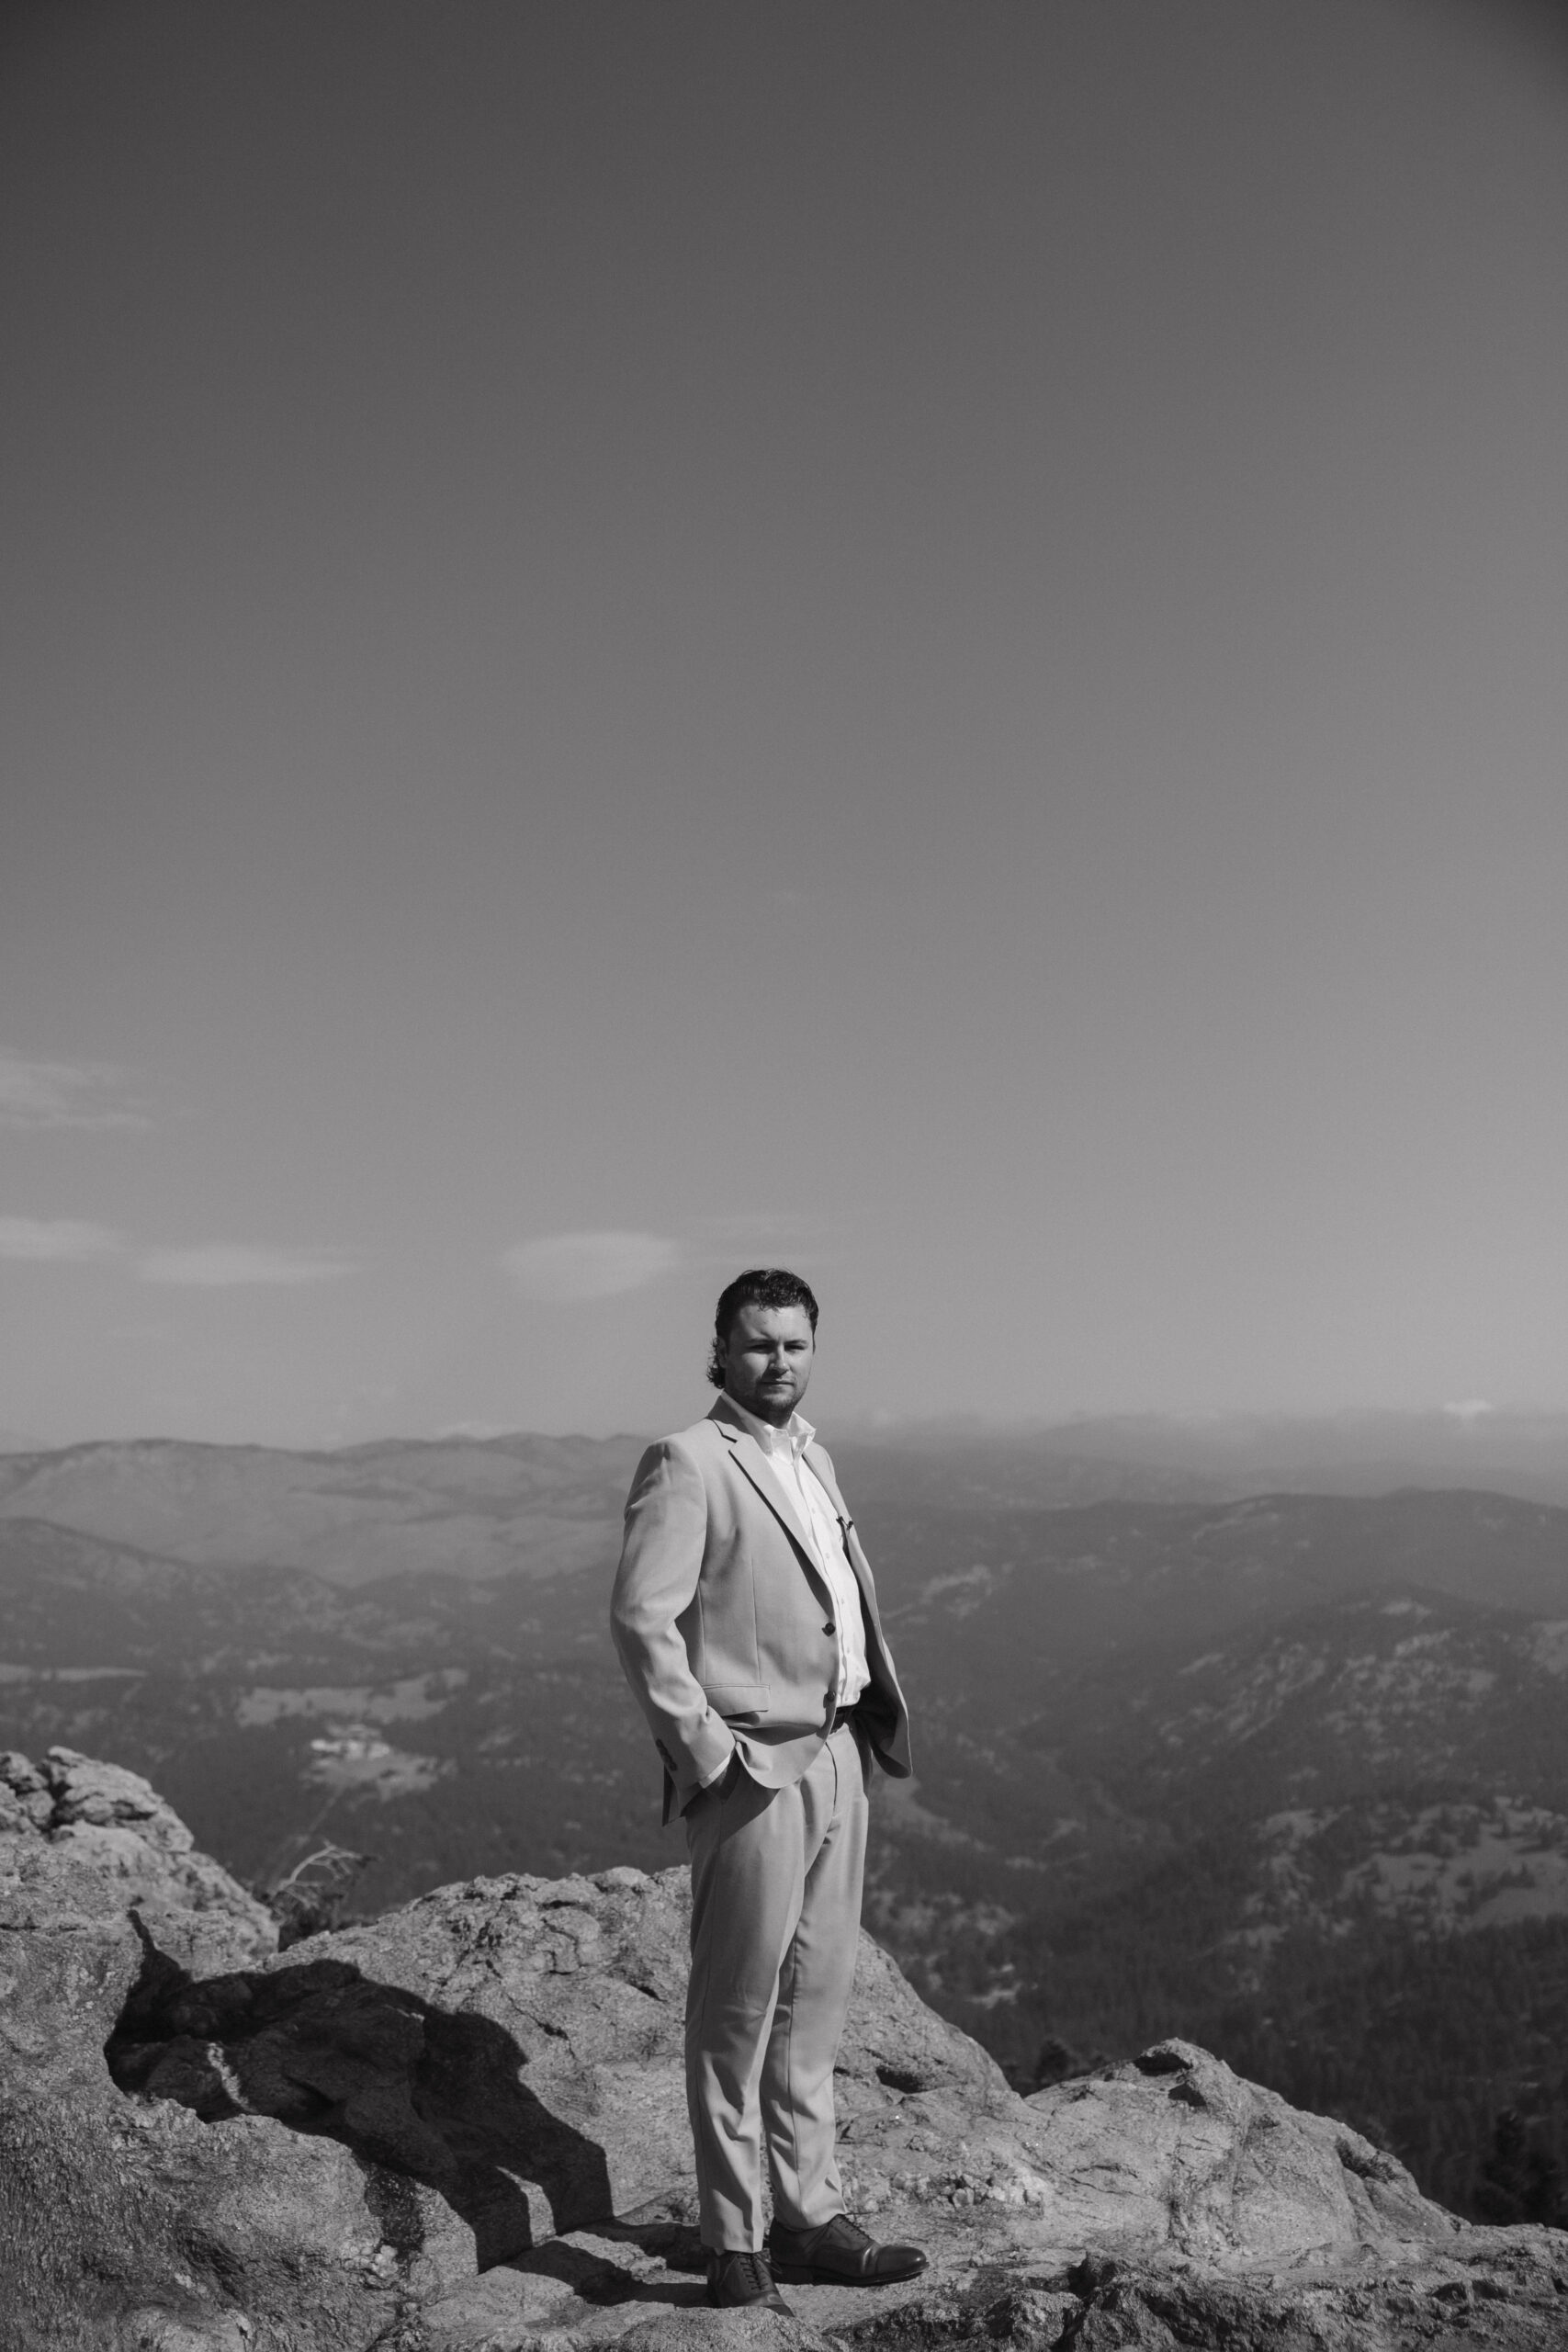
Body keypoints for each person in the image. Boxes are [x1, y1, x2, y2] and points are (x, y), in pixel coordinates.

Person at [610, 1268, 927, 2313]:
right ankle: (733, 2233)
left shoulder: (814, 1457)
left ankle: (809, 2214)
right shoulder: (689, 1461)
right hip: (753, 1766)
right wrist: (710, 1757)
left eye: (794, 1344)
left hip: (839, 1754)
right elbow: (641, 1620)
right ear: (719, 1350)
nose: (777, 1362)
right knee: (737, 2008)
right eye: (757, 1345)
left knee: (817, 2004)